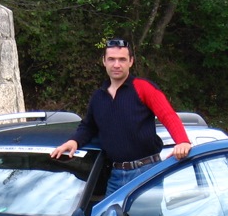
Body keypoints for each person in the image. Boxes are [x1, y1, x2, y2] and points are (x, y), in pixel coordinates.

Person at [50, 38, 192, 195]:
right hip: (116, 175)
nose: (116, 64)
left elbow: (168, 115)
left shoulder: (143, 87)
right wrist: (73, 141)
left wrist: (182, 141)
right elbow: (88, 126)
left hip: (147, 172)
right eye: (111, 59)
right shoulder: (98, 97)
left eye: (122, 59)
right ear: (104, 61)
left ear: (131, 62)